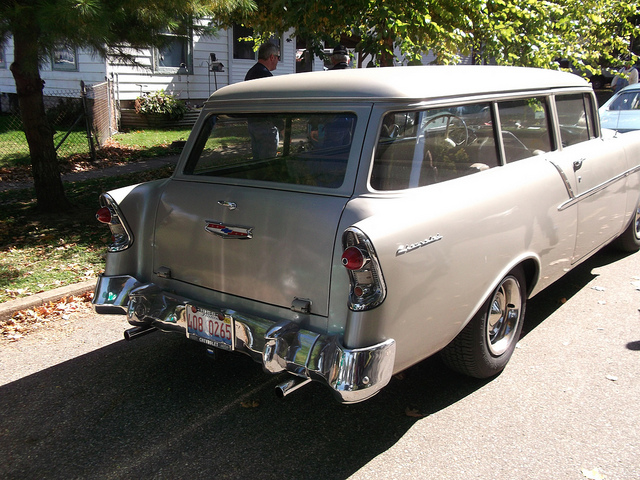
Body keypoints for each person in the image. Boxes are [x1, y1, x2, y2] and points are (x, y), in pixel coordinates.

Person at [244, 43, 282, 159]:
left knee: (257, 160)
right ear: (272, 57)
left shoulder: (251, 73)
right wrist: (283, 127)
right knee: (267, 162)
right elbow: (272, 105)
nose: (278, 61)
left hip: (253, 124)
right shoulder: (266, 76)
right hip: (265, 126)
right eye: (278, 57)